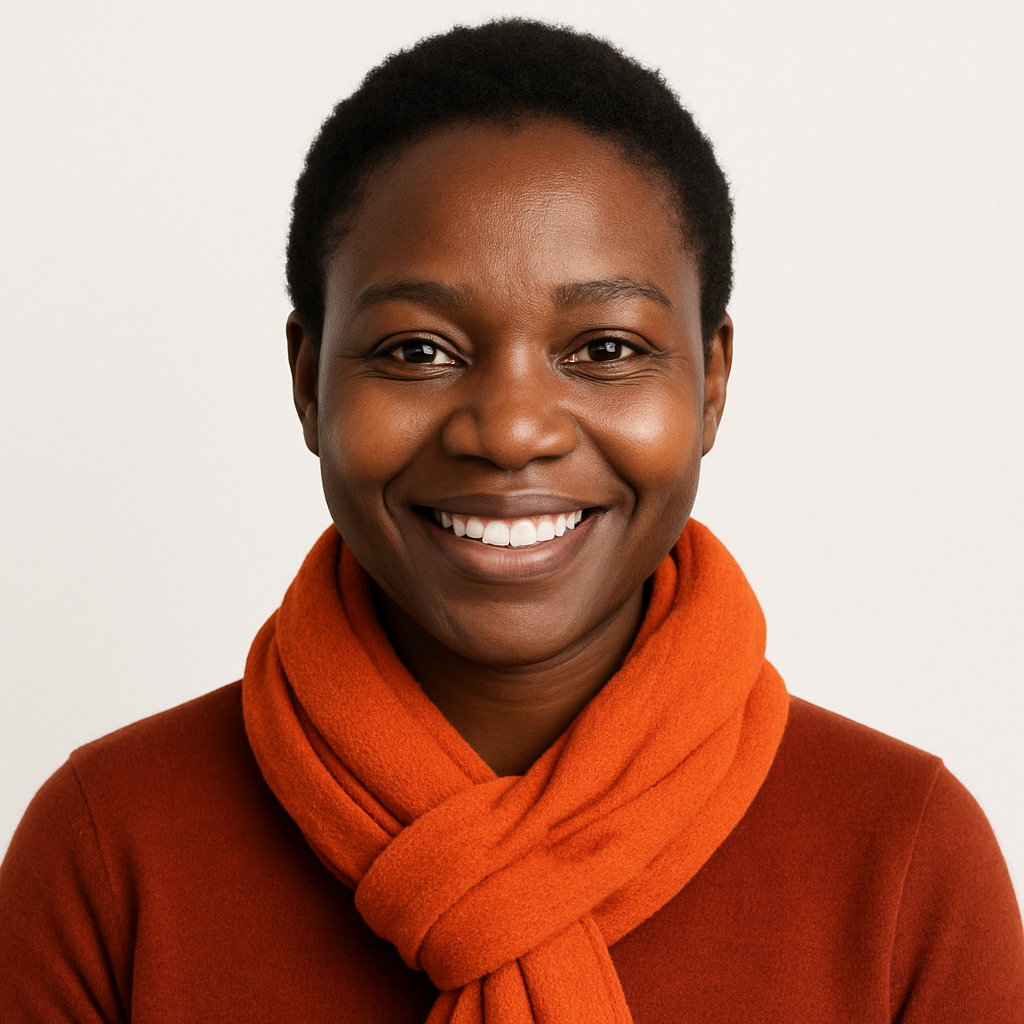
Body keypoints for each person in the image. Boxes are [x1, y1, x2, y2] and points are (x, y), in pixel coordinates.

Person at [1, 18, 1021, 1023]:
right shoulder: (109, 847)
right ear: (307, 380)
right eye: (418, 352)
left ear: (711, 381)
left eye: (607, 349)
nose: (512, 429)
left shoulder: (903, 855)